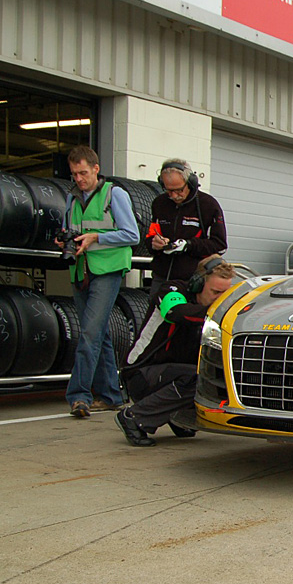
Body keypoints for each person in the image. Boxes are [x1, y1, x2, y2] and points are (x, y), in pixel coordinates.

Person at [115, 255, 237, 446]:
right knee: (198, 378)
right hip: (140, 373)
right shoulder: (172, 290)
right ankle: (134, 417)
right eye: (215, 292)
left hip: (170, 372)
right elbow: (175, 312)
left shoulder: (208, 308)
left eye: (224, 294)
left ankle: (176, 417)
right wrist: (217, 313)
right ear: (198, 284)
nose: (219, 299)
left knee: (215, 374)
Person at [58, 146, 140, 419]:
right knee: (100, 333)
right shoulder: (72, 198)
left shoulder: (114, 194)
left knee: (89, 333)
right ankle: (110, 395)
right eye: (74, 174)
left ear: (95, 168)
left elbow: (132, 235)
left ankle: (79, 396)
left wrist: (96, 238)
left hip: (107, 270)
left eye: (83, 173)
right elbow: (70, 229)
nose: (79, 179)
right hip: (81, 272)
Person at [146, 158, 228, 293]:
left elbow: (220, 245)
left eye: (178, 190)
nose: (173, 195)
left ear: (190, 182)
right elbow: (150, 237)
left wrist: (187, 245)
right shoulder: (159, 203)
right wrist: (154, 243)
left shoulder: (208, 205)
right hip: (162, 277)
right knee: (155, 314)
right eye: (168, 190)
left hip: (194, 279)